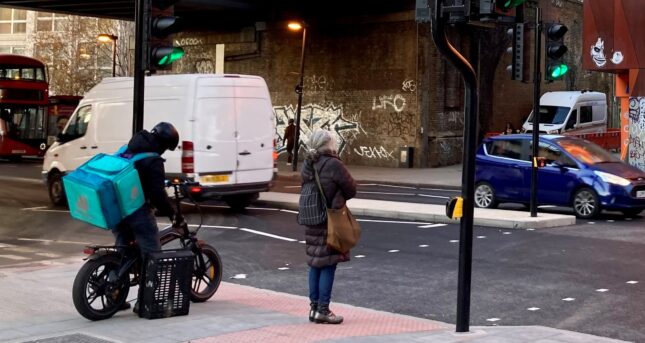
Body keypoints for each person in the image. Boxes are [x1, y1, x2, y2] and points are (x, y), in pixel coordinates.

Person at [299, 129, 356, 324]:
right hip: (328, 220)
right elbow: (351, 188)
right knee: (328, 263)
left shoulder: (308, 163)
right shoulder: (333, 164)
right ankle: (323, 310)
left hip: (311, 218)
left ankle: (314, 309)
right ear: (328, 145)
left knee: (315, 263)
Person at [111, 122, 179, 260]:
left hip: (116, 207)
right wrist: (172, 213)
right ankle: (152, 281)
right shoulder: (153, 160)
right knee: (152, 253)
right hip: (136, 211)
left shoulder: (126, 149)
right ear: (163, 144)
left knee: (122, 250)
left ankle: (115, 276)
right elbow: (157, 195)